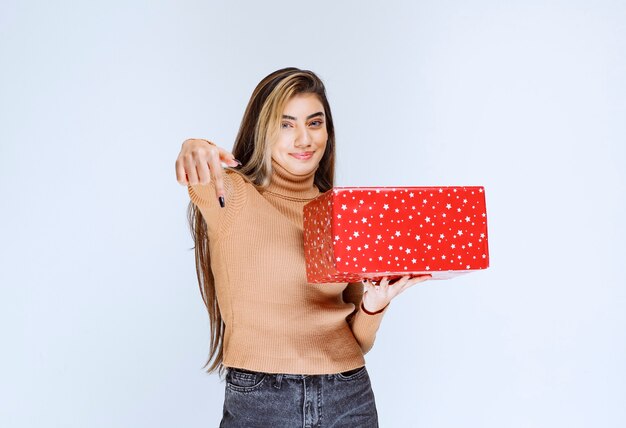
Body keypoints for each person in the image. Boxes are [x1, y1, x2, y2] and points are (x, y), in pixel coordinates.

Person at [175, 67, 431, 427]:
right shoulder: (232, 195)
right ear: (262, 129)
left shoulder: (339, 211)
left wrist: (375, 305)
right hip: (261, 400)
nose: (303, 139)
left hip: (348, 393)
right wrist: (192, 145)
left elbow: (358, 341)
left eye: (314, 123)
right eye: (286, 124)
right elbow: (196, 171)